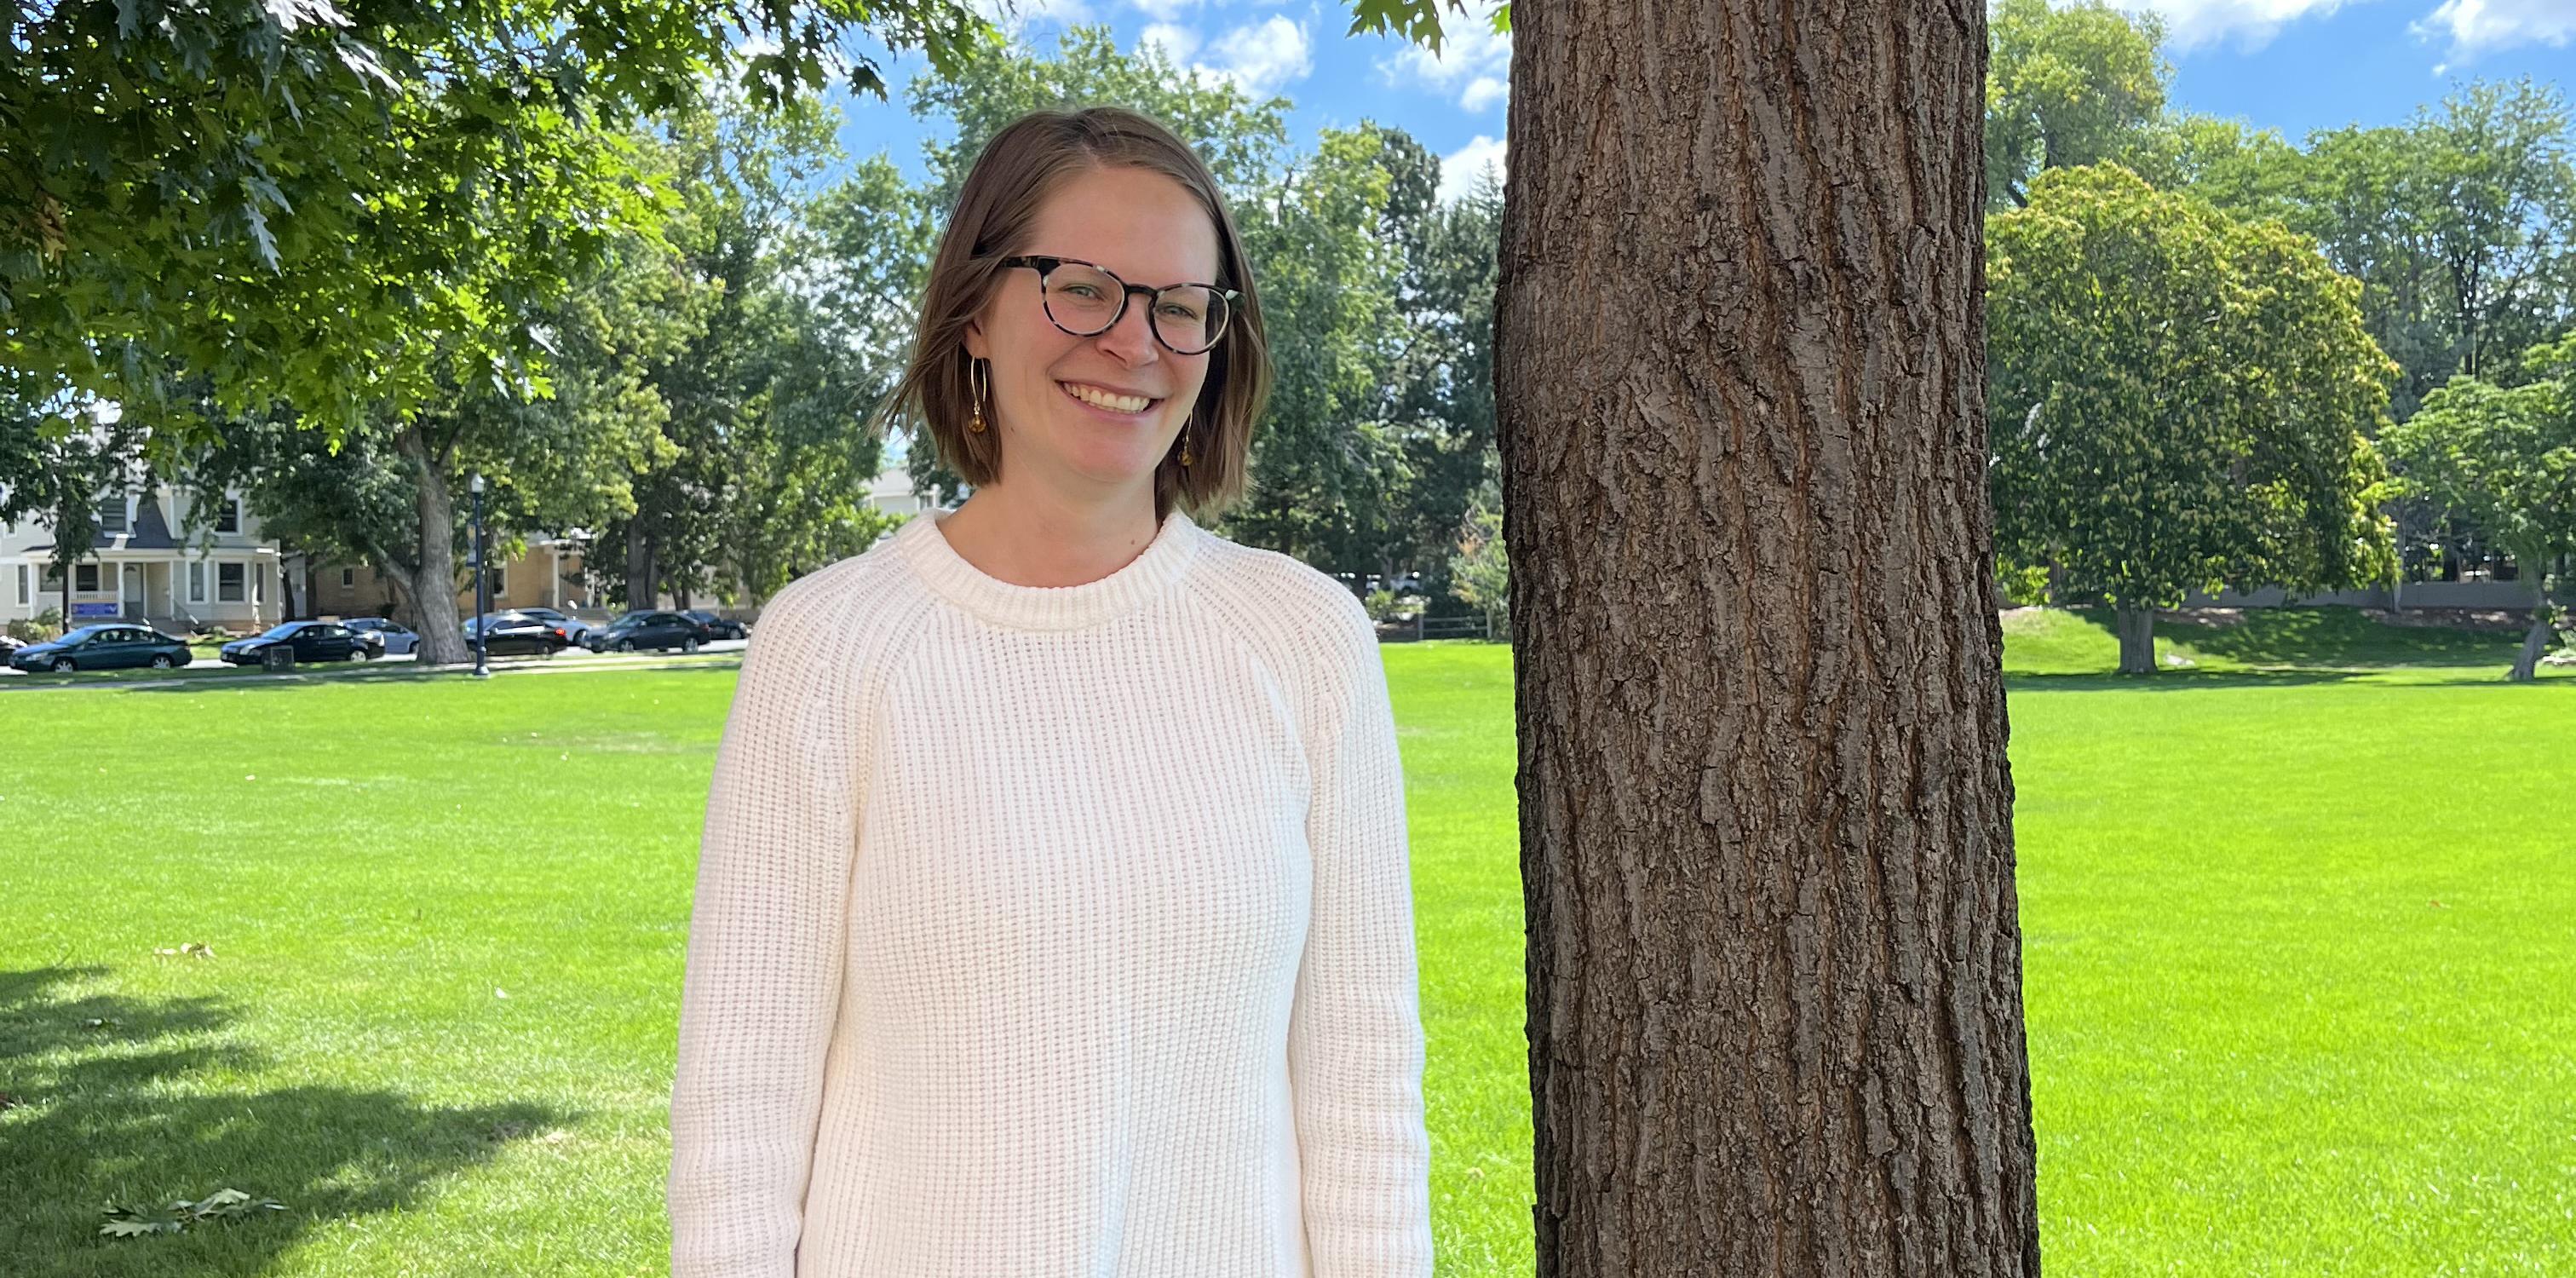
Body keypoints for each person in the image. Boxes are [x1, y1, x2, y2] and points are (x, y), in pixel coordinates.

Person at [664, 105, 1434, 1278]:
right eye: (1081, 287)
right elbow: (742, 1107)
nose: (1135, 343)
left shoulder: (1305, 641)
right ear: (974, 311)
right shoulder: (829, 646)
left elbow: (1363, 1086)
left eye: (1182, 306)